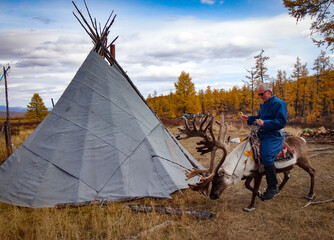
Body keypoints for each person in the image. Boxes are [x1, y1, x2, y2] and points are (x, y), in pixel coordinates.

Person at [240, 83, 287, 200]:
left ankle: (273, 186)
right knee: (248, 147)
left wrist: (265, 123)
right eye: (258, 94)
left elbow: (281, 122)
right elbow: (259, 117)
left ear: (269, 92)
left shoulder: (279, 103)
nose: (260, 96)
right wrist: (249, 119)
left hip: (273, 134)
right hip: (262, 133)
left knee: (266, 156)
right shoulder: (264, 105)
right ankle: (250, 171)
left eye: (262, 94)